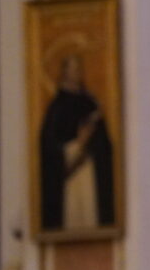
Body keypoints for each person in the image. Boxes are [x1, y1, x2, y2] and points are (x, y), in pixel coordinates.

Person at [39, 53, 115, 231]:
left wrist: (94, 144)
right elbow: (48, 148)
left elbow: (105, 148)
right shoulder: (56, 108)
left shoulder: (91, 104)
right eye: (72, 69)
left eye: (78, 69)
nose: (76, 73)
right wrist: (76, 145)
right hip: (70, 180)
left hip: (90, 173)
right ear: (64, 73)